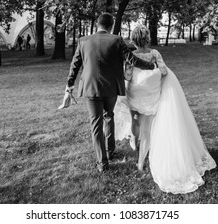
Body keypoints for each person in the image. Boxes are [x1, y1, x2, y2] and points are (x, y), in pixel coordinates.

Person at [115, 24, 216, 194]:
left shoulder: (130, 55)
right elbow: (163, 71)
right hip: (150, 95)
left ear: (133, 40)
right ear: (147, 38)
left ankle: (134, 140)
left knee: (135, 120)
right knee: (147, 130)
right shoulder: (155, 54)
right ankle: (140, 162)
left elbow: (127, 76)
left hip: (134, 93)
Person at [59, 13, 156, 173]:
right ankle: (110, 152)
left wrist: (69, 86)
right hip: (111, 87)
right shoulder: (116, 40)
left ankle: (102, 164)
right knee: (108, 116)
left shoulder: (83, 41)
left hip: (91, 88)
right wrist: (150, 66)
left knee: (96, 124)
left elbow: (75, 65)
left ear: (98, 24)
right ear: (111, 26)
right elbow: (131, 59)